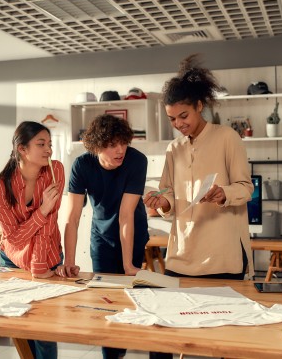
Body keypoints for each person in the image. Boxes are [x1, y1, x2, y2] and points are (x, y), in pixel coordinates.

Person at [144, 53, 254, 279]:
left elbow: (245, 187)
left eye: (183, 115)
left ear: (199, 106)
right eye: (172, 119)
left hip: (222, 256)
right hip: (181, 254)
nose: (178, 124)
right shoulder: (174, 149)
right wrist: (162, 201)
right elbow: (170, 196)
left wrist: (224, 193)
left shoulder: (227, 137)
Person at [56, 114, 149, 359]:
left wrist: (129, 265)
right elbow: (72, 217)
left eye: (123, 143)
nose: (120, 150)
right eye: (111, 145)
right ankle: (112, 354)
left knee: (129, 297)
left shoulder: (137, 161)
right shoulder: (82, 165)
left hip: (133, 233)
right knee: (105, 300)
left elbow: (126, 215)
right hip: (101, 237)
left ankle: (128, 341)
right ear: (97, 146)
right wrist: (69, 260)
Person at [0, 120, 64, 359]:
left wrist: (40, 267)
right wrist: (41, 210)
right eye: (41, 144)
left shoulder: (55, 170)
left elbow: (50, 224)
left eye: (49, 144)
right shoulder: (0, 187)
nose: (48, 149)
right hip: (13, 259)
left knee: (45, 326)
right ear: (22, 149)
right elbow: (15, 238)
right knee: (21, 323)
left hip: (48, 256)